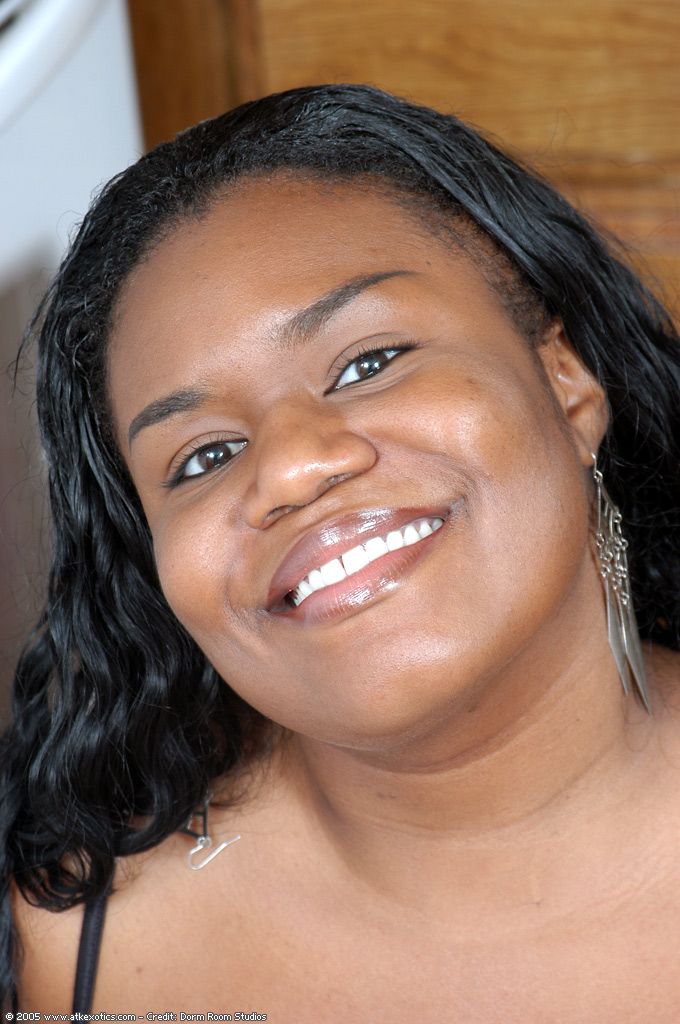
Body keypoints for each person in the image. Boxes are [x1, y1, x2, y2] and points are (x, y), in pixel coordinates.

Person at [2, 83, 679, 1017]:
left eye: (368, 364)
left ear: (566, 384)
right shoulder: (71, 929)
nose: (287, 469)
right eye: (203, 457)